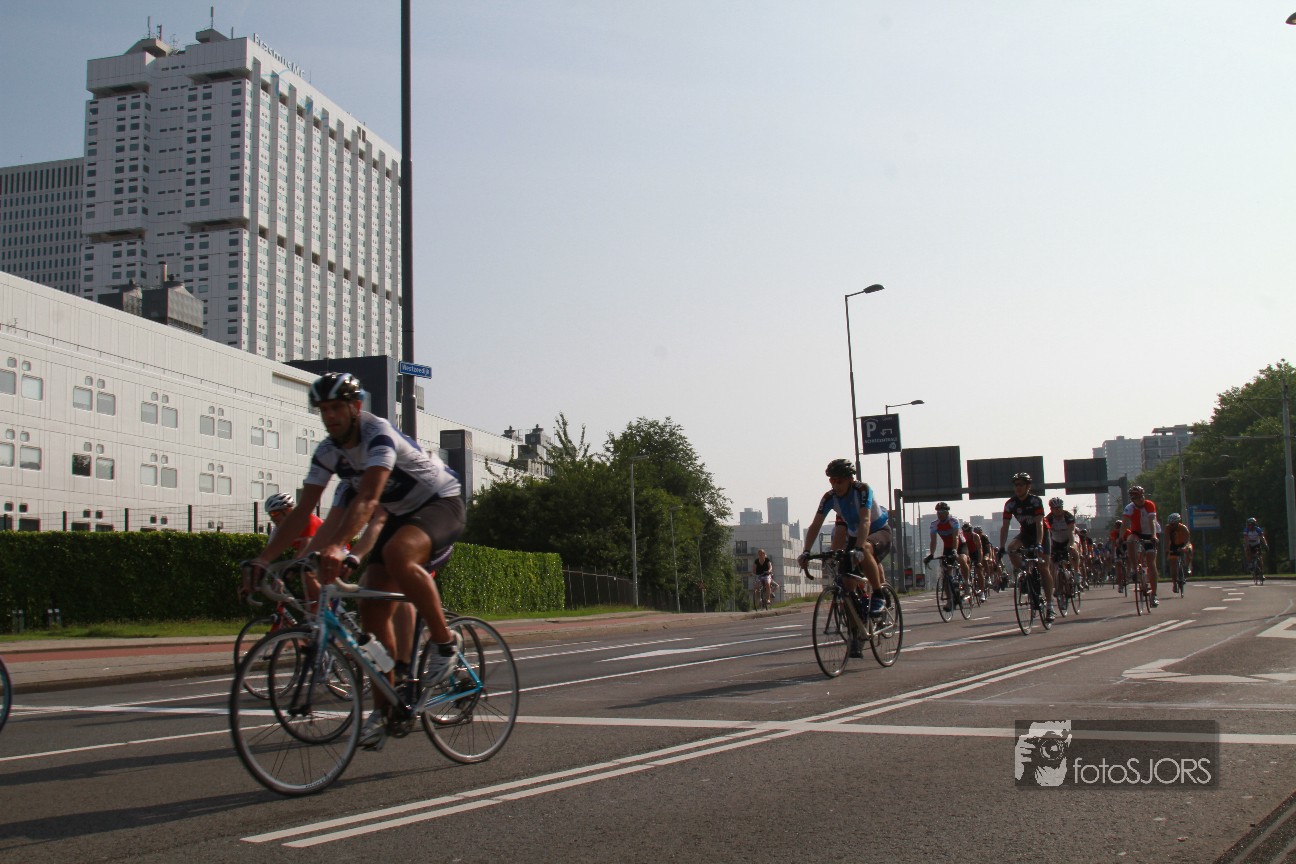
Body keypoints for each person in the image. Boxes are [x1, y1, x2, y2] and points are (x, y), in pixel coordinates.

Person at [243, 371, 465, 751]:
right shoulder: (328, 452)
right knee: (370, 606)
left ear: (355, 406)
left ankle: (445, 643)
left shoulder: (378, 435)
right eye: (323, 409)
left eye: (337, 407)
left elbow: (368, 500)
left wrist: (339, 547)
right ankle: (387, 708)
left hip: (439, 502)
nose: (330, 416)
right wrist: (264, 560)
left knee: (398, 554)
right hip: (399, 515)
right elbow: (304, 512)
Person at [799, 458, 892, 622]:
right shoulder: (829, 497)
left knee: (865, 549)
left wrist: (859, 548)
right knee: (847, 581)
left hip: (878, 530)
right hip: (855, 536)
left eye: (839, 481)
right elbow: (815, 525)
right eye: (832, 481)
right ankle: (855, 628)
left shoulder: (862, 490)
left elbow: (865, 520)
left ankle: (878, 594)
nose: (836, 485)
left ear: (850, 479)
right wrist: (806, 551)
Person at [997, 472, 1055, 621]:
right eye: (1016, 485)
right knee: (1011, 548)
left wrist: (1039, 544)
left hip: (1041, 533)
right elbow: (1005, 526)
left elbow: (1039, 523)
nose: (1018, 488)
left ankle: (1050, 606)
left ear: (1028, 486)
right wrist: (1001, 547)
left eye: (1021, 485)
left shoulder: (1035, 501)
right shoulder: (1010, 504)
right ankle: (1025, 573)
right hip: (1025, 534)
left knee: (1043, 567)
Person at [924, 502, 969, 613]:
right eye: (938, 512)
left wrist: (955, 550)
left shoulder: (953, 521)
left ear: (947, 512)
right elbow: (933, 541)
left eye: (942, 511)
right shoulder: (934, 524)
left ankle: (966, 583)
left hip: (960, 545)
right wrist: (931, 554)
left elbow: (956, 537)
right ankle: (950, 600)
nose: (939, 514)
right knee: (945, 574)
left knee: (961, 559)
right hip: (948, 547)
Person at [1124, 485, 1159, 607]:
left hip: (1150, 533)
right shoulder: (1129, 508)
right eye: (1137, 498)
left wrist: (1153, 536)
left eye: (1142, 496)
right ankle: (1134, 569)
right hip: (1137, 532)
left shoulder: (1149, 505)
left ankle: (1154, 595)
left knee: (1151, 563)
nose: (1141, 499)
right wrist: (1120, 538)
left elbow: (1152, 521)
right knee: (1130, 540)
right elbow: (1125, 524)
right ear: (1133, 499)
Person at [1044, 497, 1078, 605]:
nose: (1058, 510)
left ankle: (1076, 573)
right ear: (1051, 509)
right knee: (1052, 565)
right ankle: (1057, 587)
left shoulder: (1068, 517)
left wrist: (1070, 545)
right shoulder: (1048, 519)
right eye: (1055, 508)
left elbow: (1071, 533)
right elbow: (1047, 535)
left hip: (1068, 539)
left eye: (1060, 507)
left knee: (1074, 551)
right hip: (1055, 541)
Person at [1164, 513, 1193, 584]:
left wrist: (1184, 548)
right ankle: (1174, 584)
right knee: (1173, 564)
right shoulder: (1168, 528)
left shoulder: (1184, 528)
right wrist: (1167, 549)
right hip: (1173, 545)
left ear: (1178, 523)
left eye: (1174, 524)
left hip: (1183, 543)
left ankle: (1187, 566)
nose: (1172, 526)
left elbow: (1187, 541)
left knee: (1189, 549)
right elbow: (1167, 539)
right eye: (1171, 524)